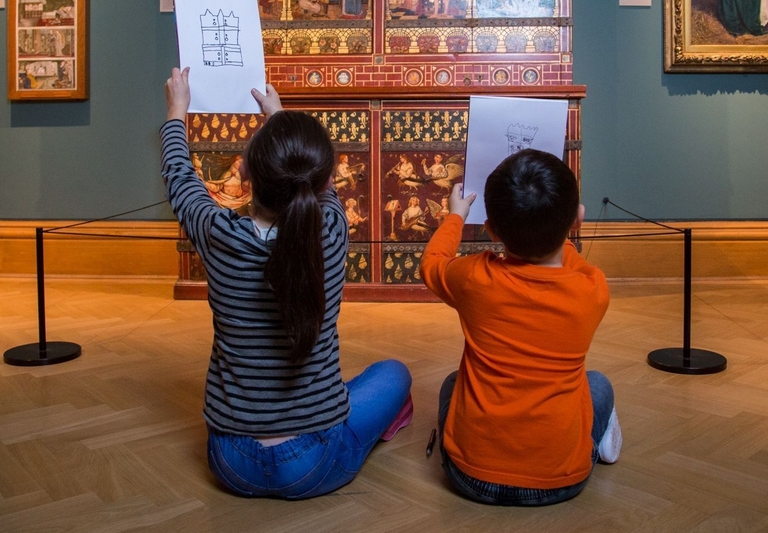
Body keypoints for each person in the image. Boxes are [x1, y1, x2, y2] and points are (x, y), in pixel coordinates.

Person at [161, 68, 413, 499]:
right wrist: (279, 115)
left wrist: (176, 110)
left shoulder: (218, 235)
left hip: (230, 462)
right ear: (326, 181)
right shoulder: (332, 232)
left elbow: (180, 180)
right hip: (314, 462)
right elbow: (322, 191)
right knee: (393, 373)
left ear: (247, 176)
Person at [420, 149, 621, 506]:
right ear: (576, 220)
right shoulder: (593, 289)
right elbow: (569, 262)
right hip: (560, 481)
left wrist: (454, 217)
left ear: (491, 229)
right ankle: (594, 442)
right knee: (598, 385)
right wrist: (564, 229)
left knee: (453, 382)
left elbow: (433, 263)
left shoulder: (474, 278)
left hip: (468, 477)